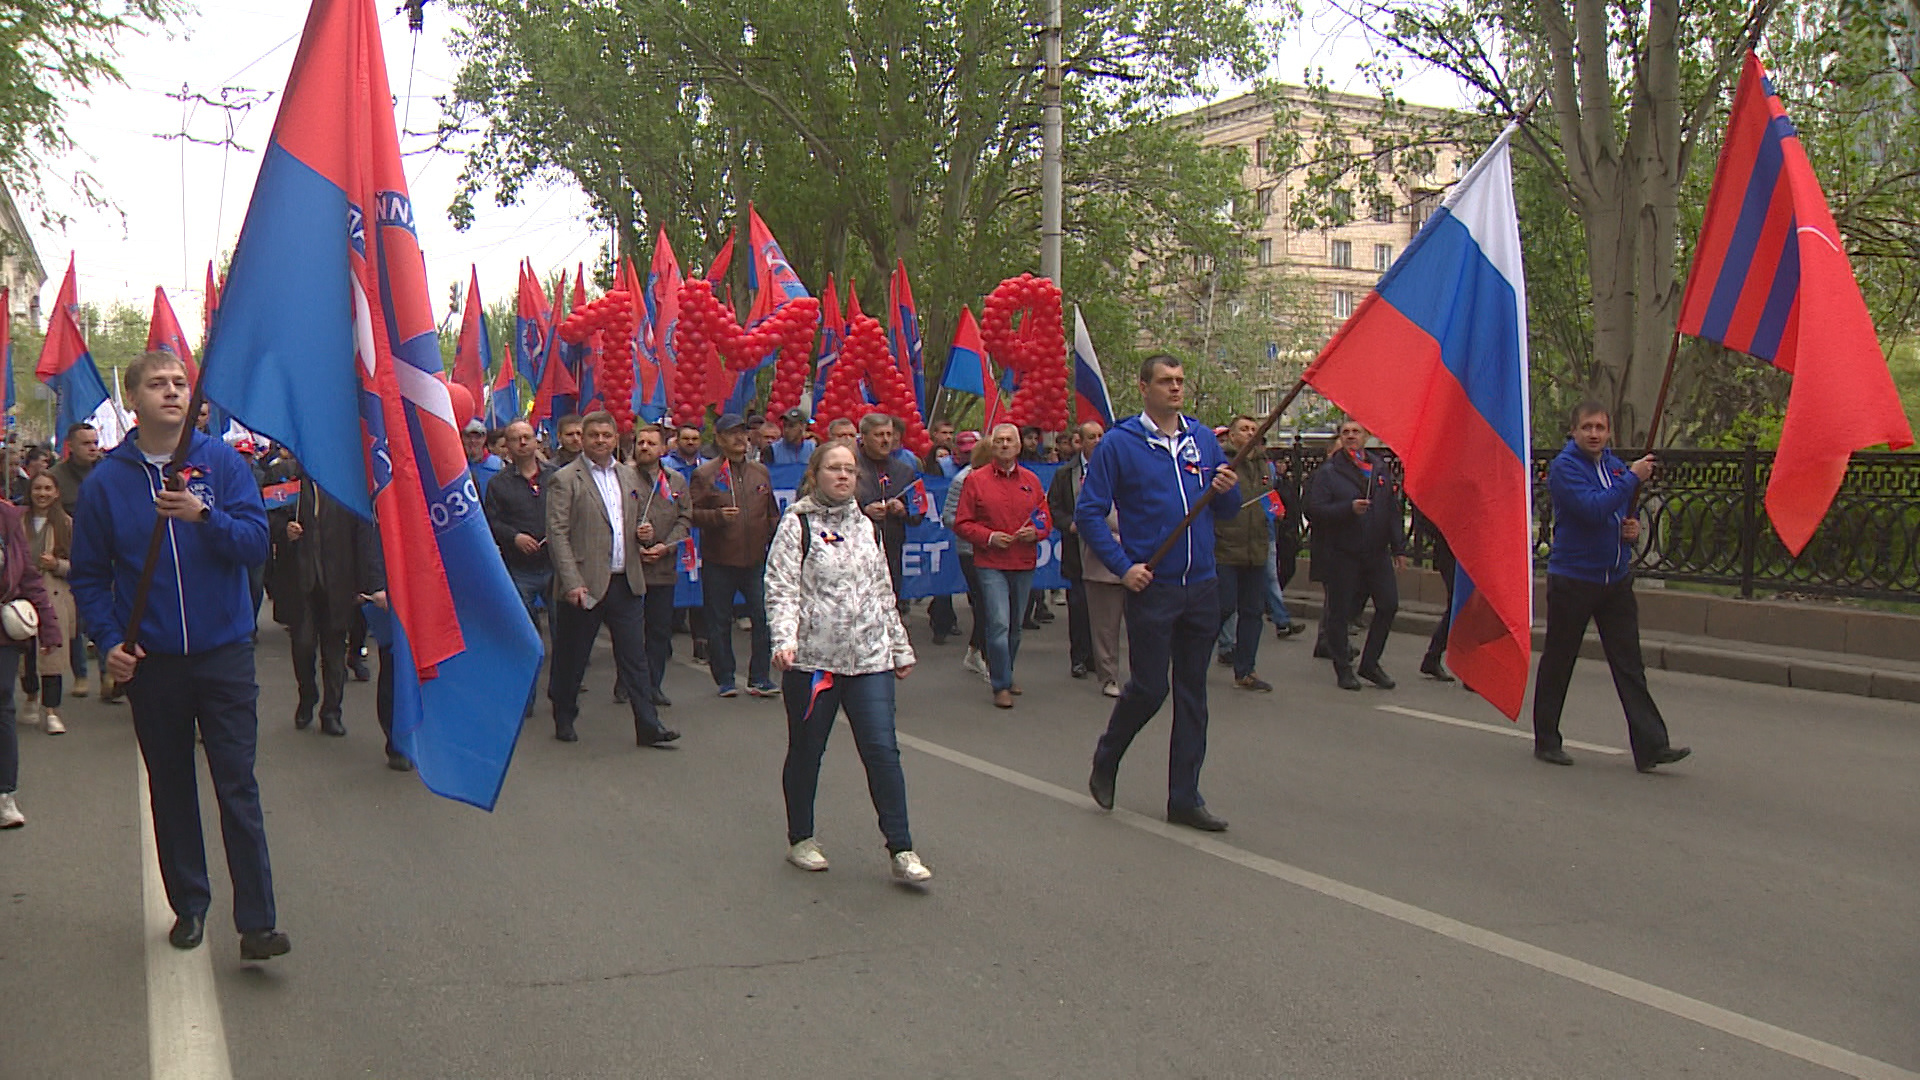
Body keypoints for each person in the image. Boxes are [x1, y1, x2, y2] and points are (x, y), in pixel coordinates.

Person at [69, 350, 288, 959]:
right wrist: (110, 640)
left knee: (237, 786)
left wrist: (204, 515)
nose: (172, 391)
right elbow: (88, 576)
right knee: (171, 786)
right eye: (158, 384)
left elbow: (254, 544)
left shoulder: (220, 464)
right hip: (155, 663)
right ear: (133, 400)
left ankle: (257, 923)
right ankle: (190, 905)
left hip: (224, 656)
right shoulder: (108, 483)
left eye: (180, 383)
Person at [1076, 355, 1238, 833]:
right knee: (1149, 688)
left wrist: (1227, 487)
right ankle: (1107, 758)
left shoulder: (1203, 439)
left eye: (1180, 381)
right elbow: (1089, 514)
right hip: (1154, 587)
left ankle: (1185, 797)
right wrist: (1124, 568)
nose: (1175, 389)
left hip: (1201, 586)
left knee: (1194, 694)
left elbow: (1225, 510)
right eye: (1165, 381)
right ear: (1143, 386)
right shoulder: (1120, 444)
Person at [764, 441, 931, 884]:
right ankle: (801, 837)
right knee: (807, 750)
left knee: (882, 750)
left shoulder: (866, 526)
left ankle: (902, 848)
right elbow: (781, 588)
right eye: (834, 469)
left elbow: (881, 589)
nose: (843, 476)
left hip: (869, 659)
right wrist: (784, 641)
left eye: (849, 470)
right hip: (815, 662)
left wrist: (899, 646)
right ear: (815, 473)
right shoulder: (797, 524)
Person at [1532, 401, 1691, 772]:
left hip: (1614, 579)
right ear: (1573, 431)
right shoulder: (1565, 468)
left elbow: (1616, 510)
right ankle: (1547, 739)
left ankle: (1651, 745)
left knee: (1630, 664)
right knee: (1559, 659)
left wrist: (1629, 530)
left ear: (1608, 433)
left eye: (1600, 428)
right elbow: (1591, 508)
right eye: (1586, 427)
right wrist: (1633, 478)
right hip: (1574, 578)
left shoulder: (1613, 465)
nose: (1593, 434)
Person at [544, 411, 680, 746]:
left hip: (626, 580)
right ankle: (564, 713)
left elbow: (630, 522)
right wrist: (572, 581)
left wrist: (644, 534)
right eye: (594, 436)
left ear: (617, 438)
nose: (601, 441)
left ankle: (648, 725)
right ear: (583, 440)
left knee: (635, 658)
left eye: (607, 435)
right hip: (585, 583)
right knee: (573, 657)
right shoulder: (565, 479)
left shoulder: (629, 476)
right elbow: (558, 534)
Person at [954, 423, 1051, 709]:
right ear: (991, 446)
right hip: (990, 561)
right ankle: (1000, 684)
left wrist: (1038, 532)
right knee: (998, 622)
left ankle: (1006, 673)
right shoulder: (976, 480)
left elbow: (1044, 515)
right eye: (1000, 440)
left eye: (1010, 440)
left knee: (1015, 627)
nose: (1005, 445)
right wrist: (990, 537)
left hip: (1023, 560)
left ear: (1019, 446)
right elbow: (962, 522)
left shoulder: (1031, 480)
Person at [1307, 418, 1406, 692]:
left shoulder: (1378, 467)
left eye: (1356, 432)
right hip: (1343, 552)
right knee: (1340, 612)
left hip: (1376, 553)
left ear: (1366, 436)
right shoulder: (1329, 472)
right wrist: (1347, 508)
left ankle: (1370, 663)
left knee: (1388, 605)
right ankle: (1343, 668)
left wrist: (1398, 547)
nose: (1351, 436)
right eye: (1346, 432)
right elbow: (1315, 510)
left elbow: (1391, 510)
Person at [690, 413, 781, 698]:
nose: (739, 438)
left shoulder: (760, 472)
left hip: (754, 560)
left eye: (742, 432)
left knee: (764, 617)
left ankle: (760, 677)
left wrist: (769, 533)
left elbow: (772, 512)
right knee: (718, 622)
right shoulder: (705, 474)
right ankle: (725, 677)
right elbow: (689, 513)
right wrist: (716, 517)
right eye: (731, 433)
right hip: (719, 560)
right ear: (718, 439)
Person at [0, 490, 63, 828]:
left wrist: (49, 627)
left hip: (2, 633)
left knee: (1, 707)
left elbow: (28, 578)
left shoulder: (8, 519)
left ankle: (4, 796)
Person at [484, 420, 555, 714]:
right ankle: (526, 698)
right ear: (508, 447)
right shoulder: (498, 484)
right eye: (516, 439)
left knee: (564, 634)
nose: (523, 443)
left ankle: (562, 697)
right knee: (526, 636)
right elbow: (492, 521)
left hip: (555, 567)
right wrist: (515, 537)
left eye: (527, 437)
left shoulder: (556, 477)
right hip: (520, 569)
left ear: (537, 442)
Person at [1212, 416, 1277, 692]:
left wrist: (1274, 511)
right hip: (1226, 547)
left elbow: (1269, 497)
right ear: (1231, 435)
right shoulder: (1222, 461)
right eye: (1244, 429)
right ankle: (1190, 654)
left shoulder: (1262, 463)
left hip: (1256, 547)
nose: (1250, 433)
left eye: (1254, 429)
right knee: (1223, 607)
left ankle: (1246, 670)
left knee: (1252, 611)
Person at [630, 424, 691, 706]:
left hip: (663, 568)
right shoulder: (622, 477)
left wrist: (663, 546)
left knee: (658, 631)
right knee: (630, 632)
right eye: (640, 442)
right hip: (630, 567)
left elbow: (685, 519)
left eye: (651, 443)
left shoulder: (676, 481)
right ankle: (628, 683)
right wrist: (636, 537)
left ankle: (653, 684)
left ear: (663, 449)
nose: (645, 447)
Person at [49, 424, 107, 699]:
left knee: (111, 615)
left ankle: (110, 674)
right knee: (76, 621)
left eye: (95, 442)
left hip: (110, 554)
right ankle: (81, 674)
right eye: (86, 443)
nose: (93, 447)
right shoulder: (56, 477)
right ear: (71, 446)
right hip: (73, 557)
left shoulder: (108, 472)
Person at [21, 472, 75, 735]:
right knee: (26, 656)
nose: (42, 494)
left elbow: (83, 568)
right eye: (37, 488)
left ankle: (52, 711)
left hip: (53, 597)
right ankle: (30, 697)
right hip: (20, 599)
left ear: (56, 493)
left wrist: (58, 565)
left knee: (52, 655)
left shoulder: (67, 524)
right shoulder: (16, 521)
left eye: (47, 489)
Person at [1048, 420, 1103, 679]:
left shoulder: (1112, 470)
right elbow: (1054, 506)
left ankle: (1100, 657)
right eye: (1092, 437)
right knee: (1079, 605)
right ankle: (1079, 657)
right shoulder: (1065, 473)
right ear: (1079, 442)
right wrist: (1067, 524)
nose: (1098, 441)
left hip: (1105, 549)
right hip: (1076, 549)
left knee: (1102, 607)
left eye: (1101, 436)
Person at [853, 413, 922, 599]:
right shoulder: (849, 467)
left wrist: (903, 510)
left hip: (892, 549)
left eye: (889, 435)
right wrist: (863, 511)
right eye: (879, 435)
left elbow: (919, 512)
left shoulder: (905, 470)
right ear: (864, 437)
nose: (885, 440)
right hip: (856, 550)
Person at [943, 437, 991, 679]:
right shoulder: (963, 480)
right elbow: (949, 517)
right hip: (971, 550)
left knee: (993, 604)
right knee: (984, 601)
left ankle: (976, 649)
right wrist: (979, 529)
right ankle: (981, 653)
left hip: (998, 551)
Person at [462, 419, 504, 494]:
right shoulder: (458, 465)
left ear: (484, 438)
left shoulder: (498, 465)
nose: (473, 440)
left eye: (477, 437)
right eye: (468, 436)